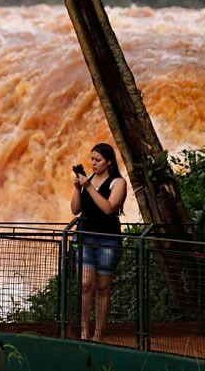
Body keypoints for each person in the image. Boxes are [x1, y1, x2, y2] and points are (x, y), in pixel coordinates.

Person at [70, 142, 127, 342]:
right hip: (85, 236)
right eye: (92, 159)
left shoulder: (117, 182)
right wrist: (78, 189)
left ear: (109, 161)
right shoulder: (89, 179)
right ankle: (84, 330)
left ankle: (98, 332)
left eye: (98, 160)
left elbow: (109, 208)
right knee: (86, 284)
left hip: (108, 239)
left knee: (103, 288)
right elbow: (75, 210)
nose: (93, 163)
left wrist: (88, 186)